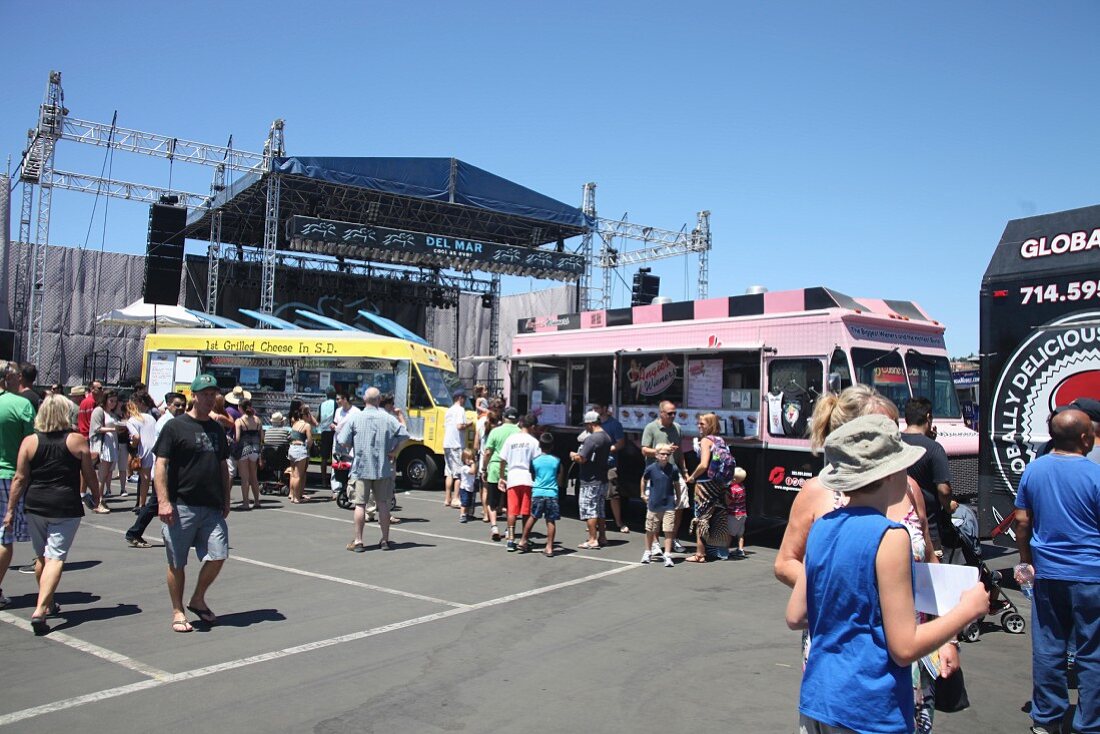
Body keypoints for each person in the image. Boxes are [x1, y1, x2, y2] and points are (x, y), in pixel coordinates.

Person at [786, 414, 988, 734]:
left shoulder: (823, 526)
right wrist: (966, 610)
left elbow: (796, 615)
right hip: (868, 705)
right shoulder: (890, 535)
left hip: (820, 698)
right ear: (893, 473)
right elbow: (904, 647)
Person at [1014, 408, 1100, 734]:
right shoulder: (1095, 475)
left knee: (1049, 649)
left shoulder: (1034, 471)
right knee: (1092, 655)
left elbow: (1022, 521)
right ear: (1083, 437)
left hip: (1048, 574)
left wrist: (1025, 561)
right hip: (1091, 576)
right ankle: (1089, 724)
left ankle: (1046, 721)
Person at [4, 394, 101, 634]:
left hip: (35, 504)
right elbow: (88, 475)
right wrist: (96, 496)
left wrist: (10, 509)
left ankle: (47, 602)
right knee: (56, 557)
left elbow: (19, 478)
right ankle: (40, 608)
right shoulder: (76, 440)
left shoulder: (29, 442)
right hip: (65, 505)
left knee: (41, 556)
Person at [152, 374, 232, 632]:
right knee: (177, 561)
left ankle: (198, 598)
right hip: (180, 505)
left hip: (211, 506)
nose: (210, 399)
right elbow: (160, 464)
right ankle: (177, 611)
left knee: (219, 554)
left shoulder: (217, 429)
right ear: (194, 396)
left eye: (213, 395)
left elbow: (222, 466)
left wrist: (227, 498)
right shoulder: (175, 427)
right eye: (205, 394)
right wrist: (163, 501)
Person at [337, 387, 408, 553]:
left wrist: (353, 445)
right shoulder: (387, 418)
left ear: (364, 399)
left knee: (360, 504)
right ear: (379, 399)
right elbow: (404, 434)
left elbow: (342, 440)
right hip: (383, 467)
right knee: (383, 504)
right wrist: (395, 450)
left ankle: (359, 541)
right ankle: (385, 540)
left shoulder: (356, 417)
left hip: (361, 467)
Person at [126, 393, 186, 548]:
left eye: (183, 405)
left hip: (174, 471)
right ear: (168, 405)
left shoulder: (175, 421)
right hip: (165, 471)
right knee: (155, 504)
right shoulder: (166, 424)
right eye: (177, 405)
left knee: (173, 502)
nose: (181, 408)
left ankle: (177, 533)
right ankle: (134, 533)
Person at [0, 361, 36, 608]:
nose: (18, 379)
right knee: (4, 537)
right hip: (10, 475)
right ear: (7, 378)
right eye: (15, 375)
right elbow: (32, 444)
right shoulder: (20, 404)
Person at [902, 396, 954, 555]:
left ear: (906, 418)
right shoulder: (934, 449)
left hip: (899, 526)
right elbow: (944, 490)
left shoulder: (893, 442)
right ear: (928, 417)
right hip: (928, 530)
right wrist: (949, 505)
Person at [684, 412, 735, 562]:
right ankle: (717, 550)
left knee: (701, 517)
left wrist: (692, 477)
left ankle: (700, 554)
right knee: (717, 516)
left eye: (702, 424)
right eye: (699, 423)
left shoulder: (706, 441)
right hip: (718, 484)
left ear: (710, 425)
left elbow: (704, 464)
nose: (699, 426)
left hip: (705, 484)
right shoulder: (720, 440)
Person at [641, 400, 688, 553]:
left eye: (675, 413)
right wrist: (661, 451)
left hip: (674, 472)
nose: (673, 416)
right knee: (656, 510)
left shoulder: (677, 428)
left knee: (679, 506)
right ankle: (655, 542)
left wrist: (685, 470)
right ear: (661, 413)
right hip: (657, 473)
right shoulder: (651, 427)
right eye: (669, 413)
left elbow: (680, 451)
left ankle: (673, 538)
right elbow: (644, 450)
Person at [497, 413, 540, 552]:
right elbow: (537, 461)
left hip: (513, 477)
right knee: (526, 511)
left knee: (512, 510)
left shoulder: (511, 439)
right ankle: (524, 538)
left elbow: (502, 459)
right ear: (532, 426)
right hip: (527, 478)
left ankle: (510, 539)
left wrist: (501, 476)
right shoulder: (533, 441)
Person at [571, 410, 612, 550]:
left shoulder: (592, 439)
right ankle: (602, 537)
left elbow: (582, 458)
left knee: (590, 509)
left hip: (590, 479)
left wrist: (574, 456)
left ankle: (592, 539)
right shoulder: (606, 437)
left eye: (586, 425)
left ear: (590, 424)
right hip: (602, 478)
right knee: (600, 509)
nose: (585, 427)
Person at [521, 432, 562, 557]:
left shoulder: (535, 461)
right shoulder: (556, 461)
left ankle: (523, 540)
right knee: (551, 520)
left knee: (533, 516)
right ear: (552, 446)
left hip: (538, 491)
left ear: (539, 446)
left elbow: (533, 475)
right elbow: (558, 475)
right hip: (551, 493)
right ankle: (549, 547)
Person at [482, 406, 520, 542]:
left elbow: (487, 452)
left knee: (492, 501)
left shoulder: (495, 431)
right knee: (511, 502)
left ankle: (494, 527)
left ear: (504, 417)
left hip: (495, 466)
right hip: (513, 469)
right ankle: (509, 529)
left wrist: (484, 468)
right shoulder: (520, 432)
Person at [640, 443, 680, 567]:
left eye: (668, 454)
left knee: (668, 530)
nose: (665, 456)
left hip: (669, 504)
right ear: (656, 455)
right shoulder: (651, 468)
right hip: (654, 504)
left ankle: (667, 554)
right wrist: (642, 494)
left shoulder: (673, 468)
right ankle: (648, 551)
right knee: (650, 529)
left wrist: (678, 497)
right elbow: (644, 479)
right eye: (662, 454)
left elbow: (676, 483)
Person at [593, 402, 628, 533]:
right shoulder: (594, 425)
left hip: (609, 463)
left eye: (597, 407)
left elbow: (621, 443)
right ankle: (594, 522)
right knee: (596, 494)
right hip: (595, 463)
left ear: (604, 409)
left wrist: (607, 449)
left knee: (613, 494)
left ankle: (619, 522)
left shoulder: (614, 424)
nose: (595, 410)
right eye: (593, 408)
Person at [88, 389, 121, 513]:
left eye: (115, 401)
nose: (113, 403)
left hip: (111, 445)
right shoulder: (99, 411)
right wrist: (113, 429)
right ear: (105, 400)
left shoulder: (111, 413)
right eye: (111, 401)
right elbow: (95, 428)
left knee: (106, 475)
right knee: (102, 476)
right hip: (103, 446)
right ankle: (97, 502)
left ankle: (100, 499)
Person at [125, 395, 157, 512]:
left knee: (144, 478)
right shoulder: (150, 417)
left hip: (144, 448)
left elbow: (136, 437)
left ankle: (141, 504)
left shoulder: (131, 421)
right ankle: (152, 502)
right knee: (153, 477)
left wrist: (133, 445)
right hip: (155, 446)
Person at [442, 389, 470, 509]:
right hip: (456, 444)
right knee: (458, 473)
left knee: (449, 472)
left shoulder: (449, 411)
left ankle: (447, 498)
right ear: (460, 398)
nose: (465, 401)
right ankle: (455, 498)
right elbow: (459, 426)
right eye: (464, 398)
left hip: (447, 443)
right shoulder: (460, 410)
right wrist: (469, 424)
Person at [234, 399, 262, 510]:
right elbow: (262, 437)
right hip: (255, 448)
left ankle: (246, 502)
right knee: (254, 476)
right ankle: (257, 501)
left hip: (244, 448)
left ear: (240, 408)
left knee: (245, 477)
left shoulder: (239, 421)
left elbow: (237, 438)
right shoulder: (258, 420)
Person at [287, 404, 315, 504]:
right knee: (299, 475)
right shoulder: (306, 425)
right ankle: (297, 497)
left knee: (293, 474)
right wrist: (308, 447)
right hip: (300, 449)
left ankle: (293, 495)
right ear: (307, 415)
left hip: (292, 448)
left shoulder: (295, 423)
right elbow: (310, 439)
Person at [317, 386, 337, 490]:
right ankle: (334, 481)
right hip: (333, 432)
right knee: (335, 457)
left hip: (324, 432)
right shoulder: (336, 404)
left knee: (324, 458)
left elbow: (318, 418)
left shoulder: (321, 405)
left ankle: (323, 481)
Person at [728, 467, 748, 559]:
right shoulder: (742, 487)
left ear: (734, 479)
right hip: (743, 514)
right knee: (740, 534)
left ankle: (725, 549)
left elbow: (729, 501)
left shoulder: (733, 489)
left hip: (734, 514)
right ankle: (740, 550)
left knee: (729, 533)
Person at [457, 448, 477, 523]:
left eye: (471, 458)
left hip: (470, 488)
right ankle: (462, 515)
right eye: (467, 459)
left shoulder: (470, 467)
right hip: (464, 488)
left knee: (469, 503)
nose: (469, 460)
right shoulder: (464, 468)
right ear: (463, 459)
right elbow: (472, 472)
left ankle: (467, 514)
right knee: (464, 503)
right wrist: (473, 464)